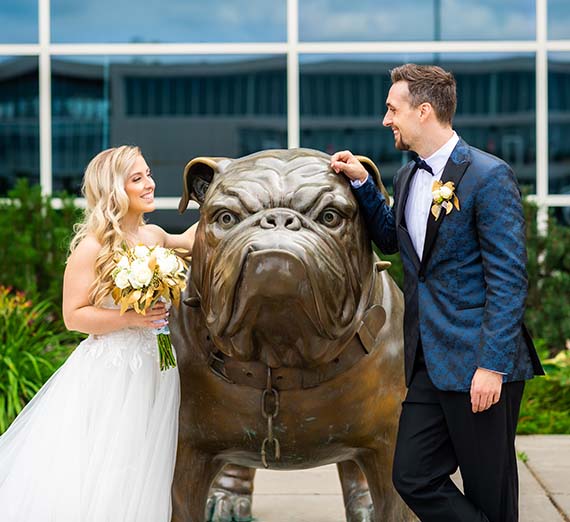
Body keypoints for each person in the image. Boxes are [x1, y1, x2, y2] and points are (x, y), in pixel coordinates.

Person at [331, 64, 544, 522]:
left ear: (423, 111)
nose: (386, 119)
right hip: (427, 359)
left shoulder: (489, 176)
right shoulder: (408, 177)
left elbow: (508, 280)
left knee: (491, 492)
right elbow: (392, 239)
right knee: (411, 474)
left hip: (479, 363)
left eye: (393, 109)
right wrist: (363, 184)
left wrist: (492, 365)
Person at [0, 145, 196, 521]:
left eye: (149, 174)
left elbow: (191, 239)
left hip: (156, 366)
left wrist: (233, 211)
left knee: (145, 466)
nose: (150, 184)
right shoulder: (93, 247)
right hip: (112, 374)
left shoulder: (153, 235)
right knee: (111, 465)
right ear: (114, 190)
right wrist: (132, 319)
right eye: (137, 178)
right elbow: (73, 317)